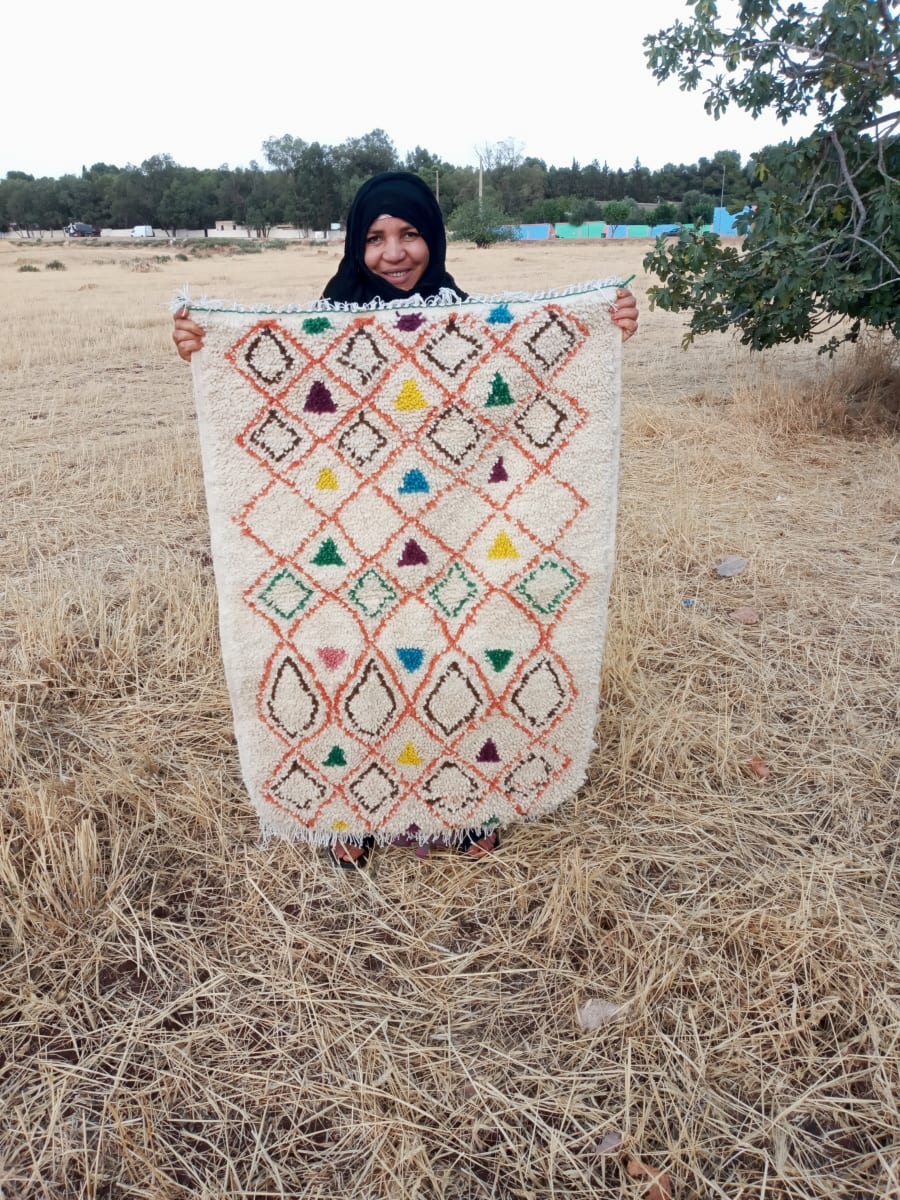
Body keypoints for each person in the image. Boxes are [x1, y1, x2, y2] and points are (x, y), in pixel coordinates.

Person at [172, 171, 639, 866]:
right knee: (354, 657)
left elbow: (512, 393)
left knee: (462, 652)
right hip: (349, 535)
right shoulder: (321, 326)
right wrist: (202, 345)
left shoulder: (471, 320)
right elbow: (280, 403)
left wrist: (604, 327)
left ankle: (470, 800)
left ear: (435, 237)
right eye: (376, 237)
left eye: (411, 233)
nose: (394, 252)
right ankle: (350, 811)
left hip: (457, 533)